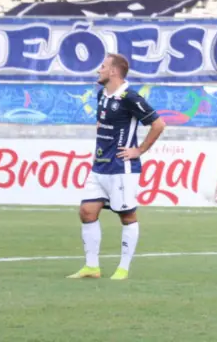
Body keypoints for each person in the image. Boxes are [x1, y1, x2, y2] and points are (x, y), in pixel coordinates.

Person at [67, 54, 166, 281]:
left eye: (102, 66)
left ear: (113, 71)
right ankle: (92, 267)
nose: (98, 70)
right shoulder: (102, 93)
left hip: (122, 168)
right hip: (99, 166)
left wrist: (139, 150)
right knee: (86, 212)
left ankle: (122, 268)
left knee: (127, 216)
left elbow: (158, 124)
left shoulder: (130, 97)